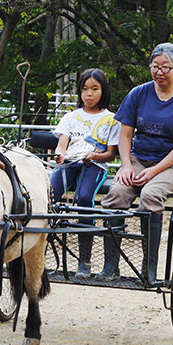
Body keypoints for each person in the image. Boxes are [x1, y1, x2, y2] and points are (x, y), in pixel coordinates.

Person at [97, 42, 173, 282]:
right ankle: (110, 266)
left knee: (151, 195)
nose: (160, 72)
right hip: (139, 158)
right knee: (116, 194)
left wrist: (154, 170)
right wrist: (125, 165)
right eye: (155, 66)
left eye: (166, 67)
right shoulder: (139, 93)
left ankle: (149, 268)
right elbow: (125, 135)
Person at [50, 68, 120, 278]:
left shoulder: (111, 119)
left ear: (103, 91)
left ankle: (84, 260)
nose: (89, 94)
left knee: (84, 197)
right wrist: (59, 155)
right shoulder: (71, 117)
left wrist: (93, 157)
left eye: (94, 89)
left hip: (93, 165)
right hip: (71, 163)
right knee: (50, 193)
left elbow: (110, 154)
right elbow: (62, 144)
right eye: (84, 89)